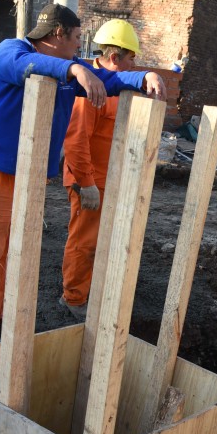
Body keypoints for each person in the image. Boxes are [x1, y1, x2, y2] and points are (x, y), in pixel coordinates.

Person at [0, 4, 165, 346]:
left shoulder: (70, 74)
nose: (79, 47)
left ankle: (9, 313)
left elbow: (112, 79)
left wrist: (143, 76)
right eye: (75, 39)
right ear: (57, 34)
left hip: (32, 178)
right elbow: (23, 68)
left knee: (19, 249)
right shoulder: (12, 51)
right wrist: (74, 69)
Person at [60, 19, 143, 321]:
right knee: (85, 242)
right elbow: (75, 140)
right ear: (115, 57)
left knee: (100, 241)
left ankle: (86, 289)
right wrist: (86, 183)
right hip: (90, 181)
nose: (135, 64)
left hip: (108, 179)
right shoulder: (90, 88)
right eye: (132, 57)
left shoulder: (116, 87)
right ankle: (74, 298)